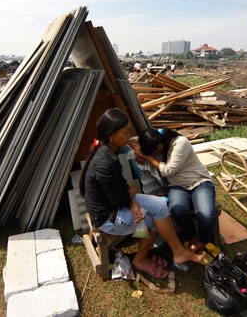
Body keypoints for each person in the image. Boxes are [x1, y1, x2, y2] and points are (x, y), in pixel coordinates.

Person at [80, 108, 207, 279]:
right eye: (125, 132)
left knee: (160, 207)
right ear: (111, 135)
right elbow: (118, 198)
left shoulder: (107, 150)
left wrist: (132, 199)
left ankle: (176, 252)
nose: (129, 135)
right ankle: (142, 259)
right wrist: (131, 196)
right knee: (156, 217)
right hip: (108, 216)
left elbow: (120, 184)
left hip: (116, 203)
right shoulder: (105, 162)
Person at [136, 128, 217, 251]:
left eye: (153, 152)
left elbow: (168, 170)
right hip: (177, 186)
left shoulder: (180, 143)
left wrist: (147, 157)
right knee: (177, 209)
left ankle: (203, 241)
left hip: (199, 182)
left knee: (206, 214)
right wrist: (138, 151)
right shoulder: (158, 141)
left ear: (159, 146)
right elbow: (132, 140)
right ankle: (193, 238)